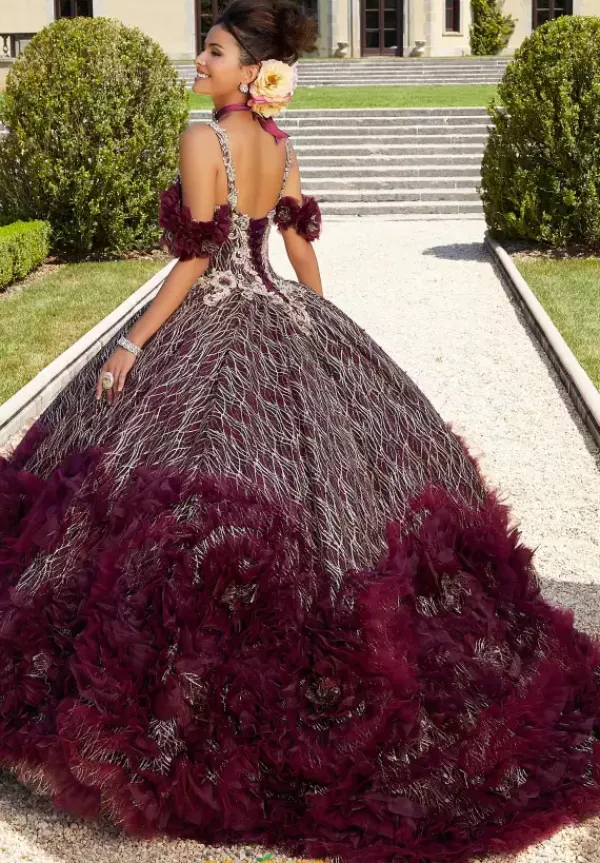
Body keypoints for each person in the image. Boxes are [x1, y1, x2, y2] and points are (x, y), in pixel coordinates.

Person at [1, 1, 599, 862]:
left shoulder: (202, 138)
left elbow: (197, 256)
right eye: (203, 47)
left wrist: (132, 341)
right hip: (277, 305)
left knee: (164, 472)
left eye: (212, 51)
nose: (197, 60)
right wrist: (322, 326)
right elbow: (292, 244)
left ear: (252, 70)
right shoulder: (279, 145)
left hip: (215, 316)